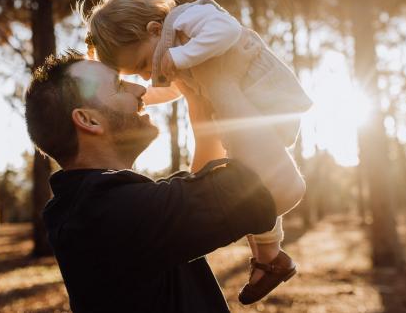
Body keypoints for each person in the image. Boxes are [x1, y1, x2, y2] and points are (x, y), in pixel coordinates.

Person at [23, 49, 305, 312]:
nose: (140, 89)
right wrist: (219, 79)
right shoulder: (114, 213)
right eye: (120, 86)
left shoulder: (90, 207)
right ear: (88, 120)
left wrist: (197, 98)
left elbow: (199, 182)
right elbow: (281, 186)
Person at [80, 0, 312, 304]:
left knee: (256, 182)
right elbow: (172, 89)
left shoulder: (189, 20)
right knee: (248, 182)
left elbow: (227, 30)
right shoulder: (173, 50)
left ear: (154, 29)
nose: (149, 74)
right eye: (137, 74)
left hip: (268, 100)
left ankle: (269, 255)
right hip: (251, 113)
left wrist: (179, 58)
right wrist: (140, 96)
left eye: (144, 64)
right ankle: (269, 257)